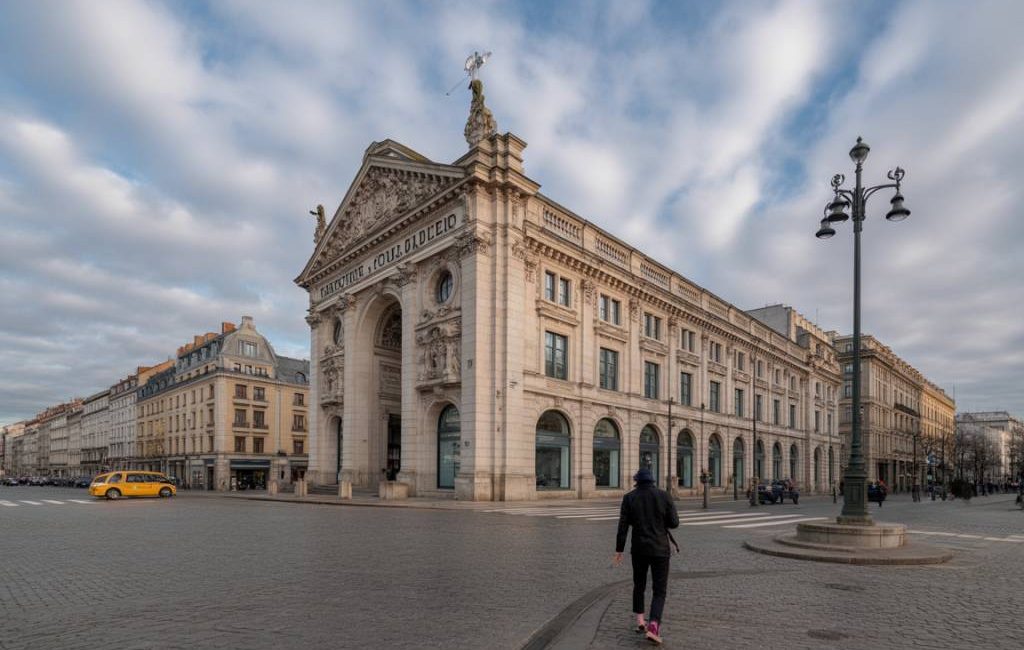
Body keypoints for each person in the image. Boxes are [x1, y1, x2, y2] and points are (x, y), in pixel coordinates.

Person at [613, 468, 679, 646]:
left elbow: (623, 526)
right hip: (660, 549)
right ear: (652, 481)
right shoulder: (664, 496)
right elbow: (674, 523)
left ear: (637, 481)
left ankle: (640, 621)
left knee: (639, 585)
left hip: (639, 549)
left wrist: (619, 550)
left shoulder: (629, 497)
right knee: (659, 590)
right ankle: (654, 625)